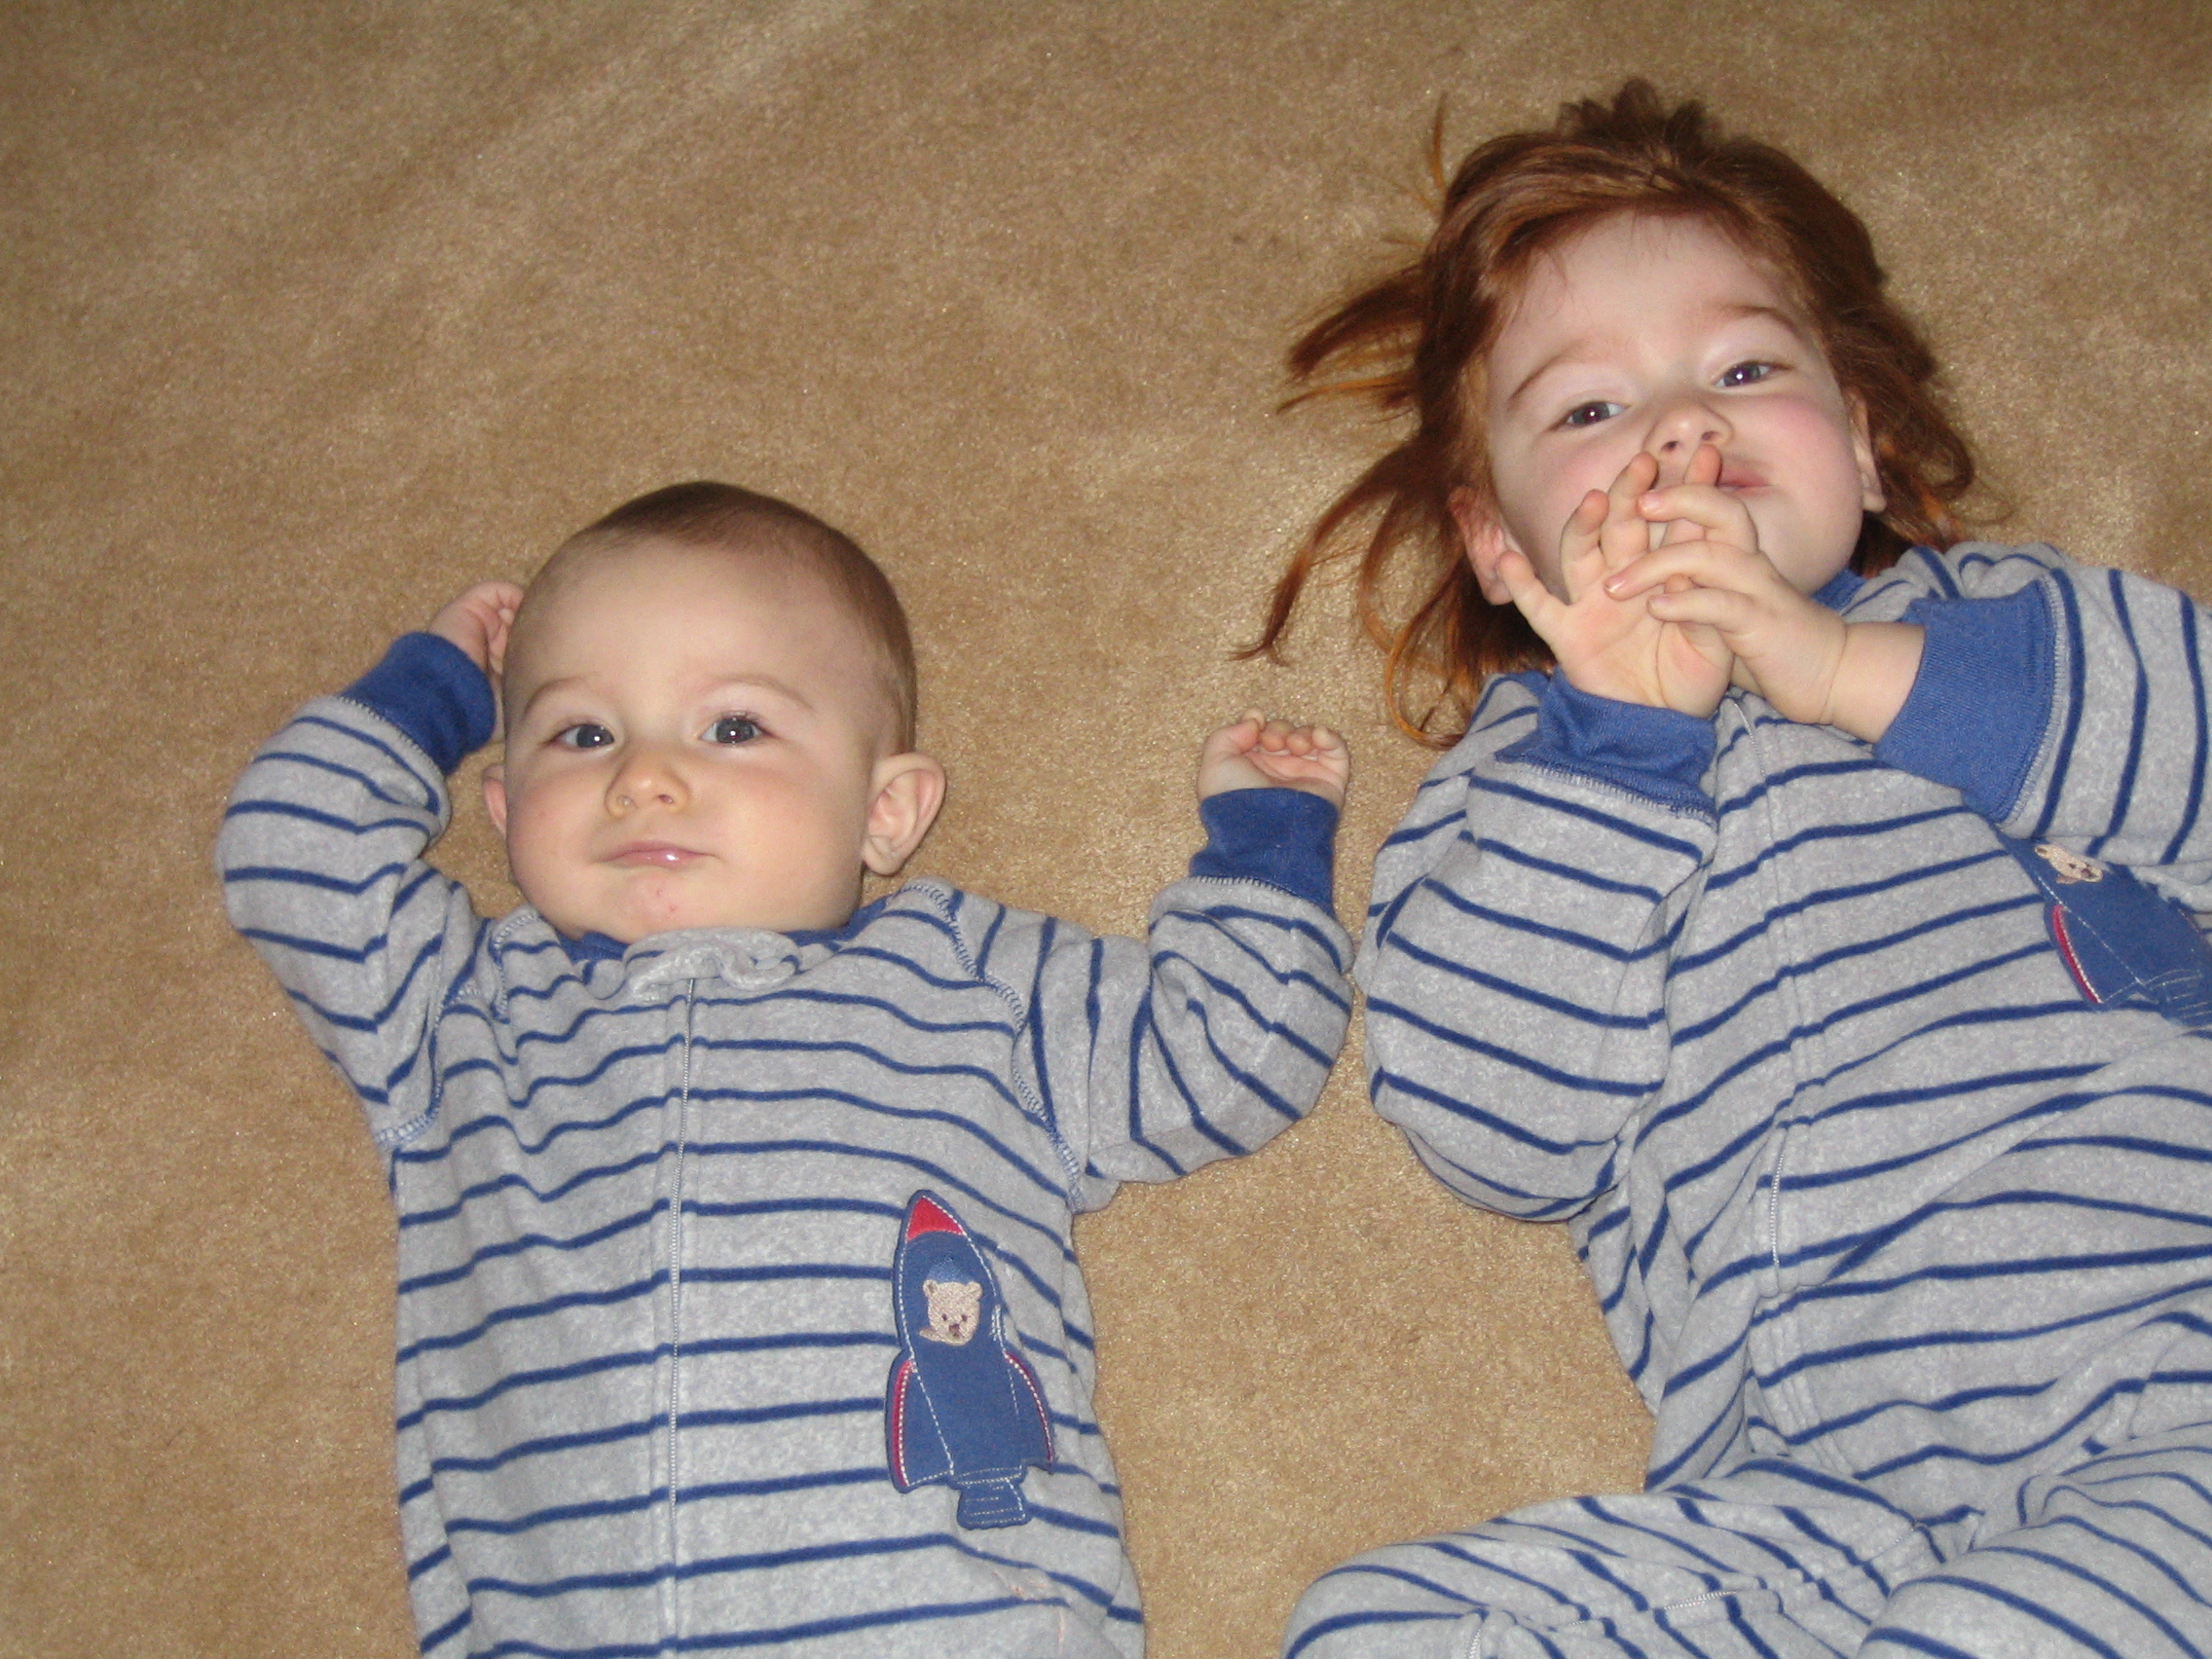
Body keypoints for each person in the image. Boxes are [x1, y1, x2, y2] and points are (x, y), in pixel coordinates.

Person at [1254, 83, 2212, 1657]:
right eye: (1588, 412)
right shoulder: (1513, 793)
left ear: (1864, 445)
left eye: (1746, 370)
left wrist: (1847, 669)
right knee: (1378, 1624)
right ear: (1500, 546)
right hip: (1814, 1506)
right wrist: (1619, 751)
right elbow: (1497, 1132)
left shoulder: (2010, 625)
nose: (1681, 430)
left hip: (2165, 1374)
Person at [218, 481, 1352, 1657]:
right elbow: (291, 846)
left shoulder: (968, 982)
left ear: (885, 812)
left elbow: (1222, 1055)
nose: (643, 776)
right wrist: (437, 688)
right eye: (582, 734)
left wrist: (1265, 850)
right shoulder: (461, 1011)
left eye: (733, 728)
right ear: (502, 813)